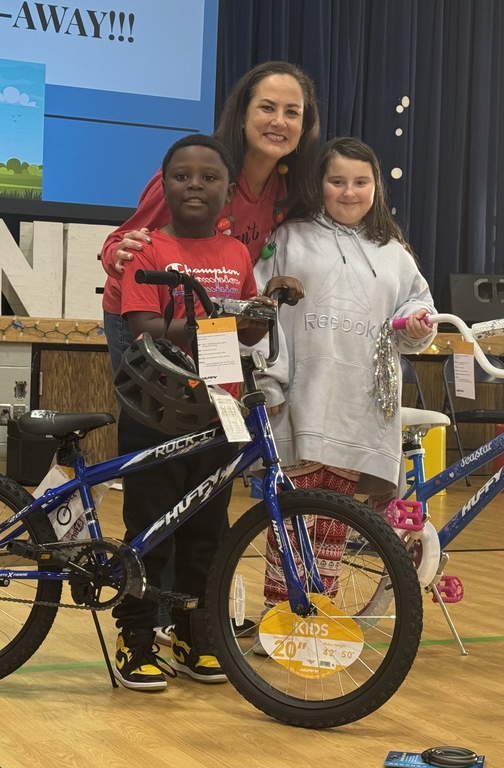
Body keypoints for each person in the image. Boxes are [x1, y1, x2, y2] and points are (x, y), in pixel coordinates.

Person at [112, 134, 298, 691]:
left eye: (210, 177)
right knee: (150, 527)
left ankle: (196, 633)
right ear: (163, 186)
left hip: (218, 409)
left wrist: (268, 304)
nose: (196, 185)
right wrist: (210, 322)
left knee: (207, 532)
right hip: (154, 406)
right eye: (183, 176)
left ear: (227, 192)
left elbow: (248, 329)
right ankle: (136, 637)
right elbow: (141, 328)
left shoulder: (236, 254)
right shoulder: (146, 248)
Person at [254, 136, 436, 604]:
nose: (349, 192)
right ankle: (283, 618)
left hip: (361, 405)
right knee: (292, 515)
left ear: (376, 186)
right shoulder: (288, 236)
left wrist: (417, 323)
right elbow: (257, 310)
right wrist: (266, 380)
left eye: (361, 182)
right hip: (302, 400)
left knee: (338, 521)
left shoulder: (393, 250)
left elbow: (417, 313)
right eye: (338, 181)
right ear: (320, 184)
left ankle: (320, 619)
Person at [100, 61, 321, 374]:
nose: (279, 122)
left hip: (211, 318)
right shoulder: (200, 174)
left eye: (292, 112)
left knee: (213, 412)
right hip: (149, 315)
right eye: (267, 108)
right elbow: (117, 244)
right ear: (243, 115)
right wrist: (120, 255)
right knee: (155, 415)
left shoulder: (288, 188)